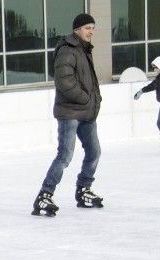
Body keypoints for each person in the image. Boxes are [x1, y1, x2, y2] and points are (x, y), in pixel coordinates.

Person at [32, 13, 103, 217]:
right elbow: (64, 81)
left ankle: (83, 190)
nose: (91, 31)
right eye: (87, 27)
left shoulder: (84, 49)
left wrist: (92, 101)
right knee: (65, 155)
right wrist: (85, 99)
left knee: (94, 152)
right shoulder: (68, 49)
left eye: (93, 27)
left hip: (86, 112)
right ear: (77, 30)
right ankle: (44, 195)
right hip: (70, 112)